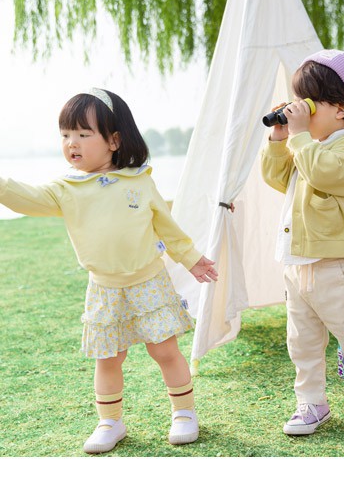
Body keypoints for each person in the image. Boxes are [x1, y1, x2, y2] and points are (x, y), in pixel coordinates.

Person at [0, 88, 218, 454]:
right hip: (103, 289)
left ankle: (184, 413)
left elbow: (168, 228)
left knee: (165, 351)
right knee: (108, 358)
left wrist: (192, 259)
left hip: (148, 282)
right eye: (66, 135)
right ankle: (110, 421)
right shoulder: (66, 188)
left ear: (114, 140)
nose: (72, 143)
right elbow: (27, 198)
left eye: (84, 134)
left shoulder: (139, 181)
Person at [261, 49, 344, 444]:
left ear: (341, 108)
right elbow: (275, 176)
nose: (300, 111)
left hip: (339, 267)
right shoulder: (306, 147)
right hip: (297, 264)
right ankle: (311, 402)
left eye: (309, 104)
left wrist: (300, 136)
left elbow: (321, 172)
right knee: (301, 343)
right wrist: (280, 137)